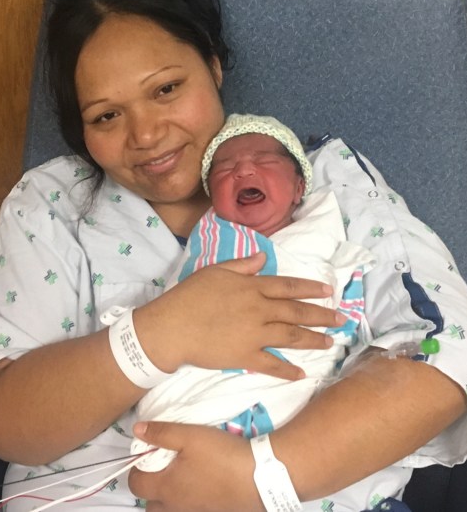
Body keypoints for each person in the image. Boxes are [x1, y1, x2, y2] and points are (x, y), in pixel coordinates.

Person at [0, 0, 467, 512]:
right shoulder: (52, 205)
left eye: (168, 88)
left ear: (215, 67)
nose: (147, 134)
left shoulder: (322, 178)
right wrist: (156, 335)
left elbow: (444, 356)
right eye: (106, 117)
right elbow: (9, 423)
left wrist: (264, 475)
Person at [120, 113, 378, 479]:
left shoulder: (318, 239)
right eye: (224, 169)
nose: (242, 171)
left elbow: (342, 297)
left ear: (299, 186)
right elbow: (180, 301)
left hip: (285, 398)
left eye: (264, 160)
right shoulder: (210, 241)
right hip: (195, 386)